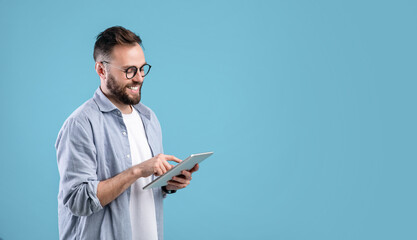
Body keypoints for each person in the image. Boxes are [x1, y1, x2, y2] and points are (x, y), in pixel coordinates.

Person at [55, 26, 199, 240]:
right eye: (129, 70)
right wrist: (137, 171)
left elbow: (140, 191)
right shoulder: (81, 124)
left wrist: (167, 184)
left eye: (142, 68)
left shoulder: (149, 118)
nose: (139, 78)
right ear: (101, 70)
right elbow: (78, 201)